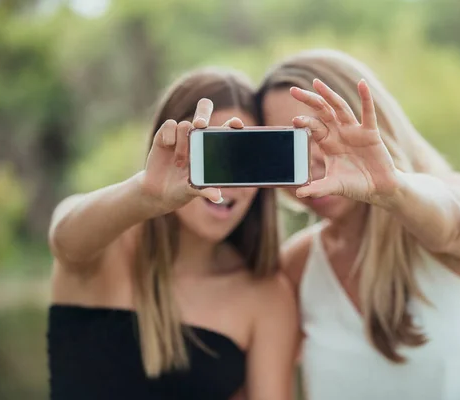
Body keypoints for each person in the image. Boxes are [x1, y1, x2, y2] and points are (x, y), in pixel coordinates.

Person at [256, 49, 460, 400]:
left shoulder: (451, 198)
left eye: (321, 132)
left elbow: (455, 223)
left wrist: (393, 189)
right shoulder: (298, 266)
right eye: (286, 147)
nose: (311, 162)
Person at [47, 68, 298, 400]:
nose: (226, 184)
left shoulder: (266, 295)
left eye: (245, 159)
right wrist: (146, 195)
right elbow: (63, 238)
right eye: (213, 155)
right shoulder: (102, 248)